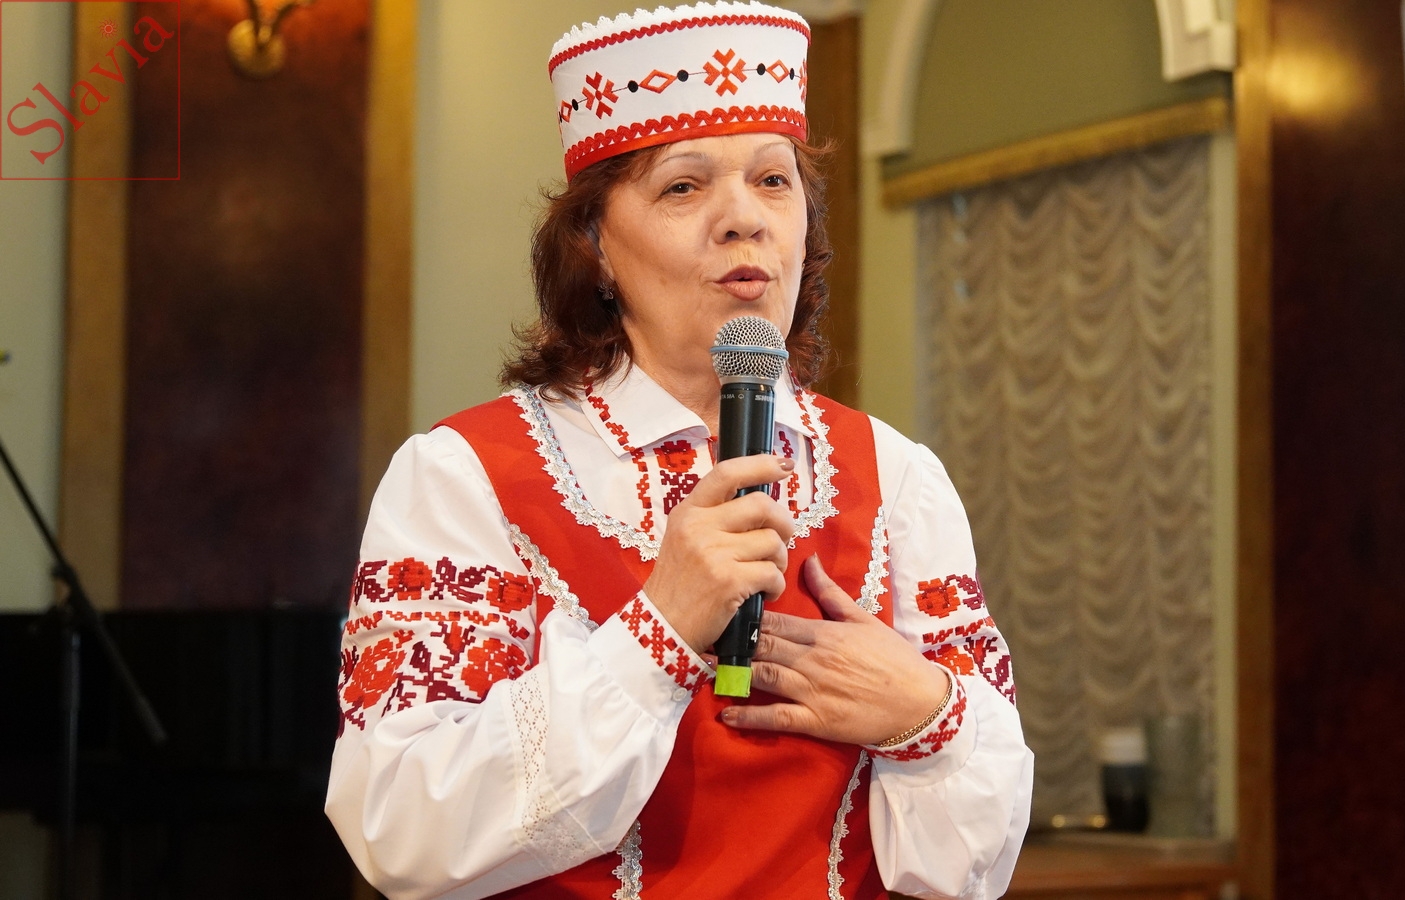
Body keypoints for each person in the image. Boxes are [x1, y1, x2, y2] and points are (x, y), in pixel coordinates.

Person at [324, 3, 1032, 898]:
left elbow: (972, 868)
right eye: (683, 187)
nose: (744, 220)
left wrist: (924, 717)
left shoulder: (899, 479)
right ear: (594, 246)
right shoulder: (467, 477)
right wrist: (656, 634)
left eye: (773, 181)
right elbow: (398, 830)